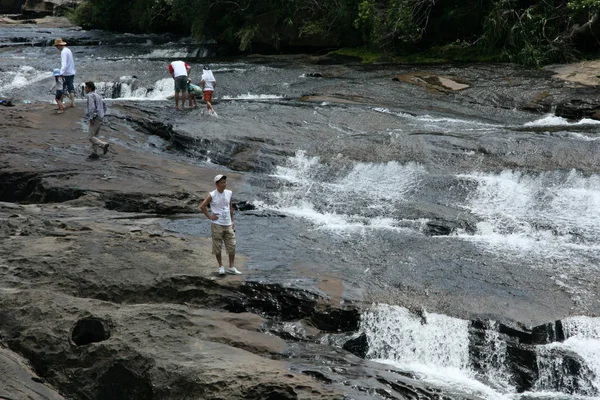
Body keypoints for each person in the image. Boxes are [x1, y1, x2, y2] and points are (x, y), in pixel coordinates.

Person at [200, 174, 242, 275]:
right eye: (222, 183)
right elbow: (202, 206)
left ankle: (231, 267)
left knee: (232, 245)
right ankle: (221, 266)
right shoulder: (212, 195)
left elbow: (230, 207)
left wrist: (232, 220)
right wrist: (210, 216)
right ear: (217, 184)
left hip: (228, 224)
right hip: (217, 224)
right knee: (217, 246)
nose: (224, 184)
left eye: (225, 182)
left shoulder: (229, 193)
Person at [84, 81, 109, 160]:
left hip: (95, 117)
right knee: (95, 135)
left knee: (90, 137)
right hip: (100, 117)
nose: (85, 89)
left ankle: (103, 144)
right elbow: (104, 105)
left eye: (86, 87)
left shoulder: (90, 95)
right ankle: (94, 153)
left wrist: (91, 117)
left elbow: (91, 107)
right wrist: (102, 114)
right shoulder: (98, 95)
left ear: (90, 88)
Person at [53, 38, 76, 108]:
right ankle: (72, 102)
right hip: (72, 71)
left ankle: (61, 104)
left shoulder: (63, 52)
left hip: (66, 73)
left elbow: (64, 64)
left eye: (57, 46)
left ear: (59, 45)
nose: (57, 48)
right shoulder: (68, 50)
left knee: (62, 88)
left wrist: (60, 73)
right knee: (71, 87)